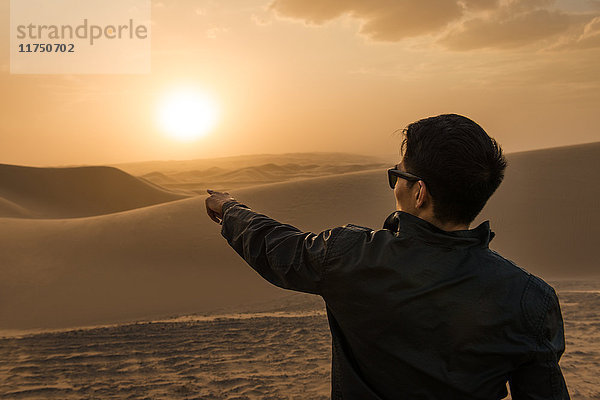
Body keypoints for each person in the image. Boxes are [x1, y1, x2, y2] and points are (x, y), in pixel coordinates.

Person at [205, 114, 570, 400]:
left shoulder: (349, 256)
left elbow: (276, 248)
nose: (395, 183)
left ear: (419, 192)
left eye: (398, 174)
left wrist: (231, 209)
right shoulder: (530, 299)